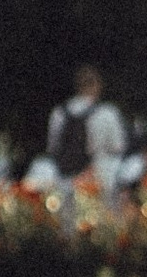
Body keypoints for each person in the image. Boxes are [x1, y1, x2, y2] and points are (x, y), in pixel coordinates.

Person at [43, 65, 126, 194]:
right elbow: (118, 147)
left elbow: (53, 148)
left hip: (65, 179)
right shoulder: (108, 113)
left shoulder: (59, 113)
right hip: (100, 179)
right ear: (98, 85)